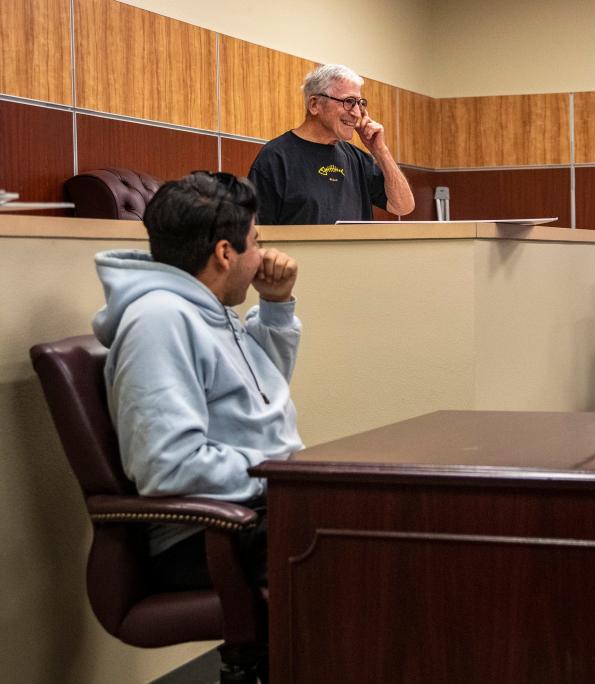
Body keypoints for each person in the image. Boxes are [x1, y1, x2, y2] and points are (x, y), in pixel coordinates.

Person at [92, 171, 303, 595]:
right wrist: (280, 476)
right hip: (208, 535)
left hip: (253, 510)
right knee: (382, 545)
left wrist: (276, 307)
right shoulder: (160, 320)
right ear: (226, 252)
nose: (262, 256)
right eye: (256, 241)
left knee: (399, 521)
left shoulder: (207, 308)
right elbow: (167, 466)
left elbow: (261, 399)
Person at [248, 63, 415, 225]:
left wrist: (380, 151)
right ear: (314, 105)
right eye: (348, 102)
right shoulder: (275, 158)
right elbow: (258, 234)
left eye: (360, 103)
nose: (357, 113)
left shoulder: (356, 159)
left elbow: (403, 207)